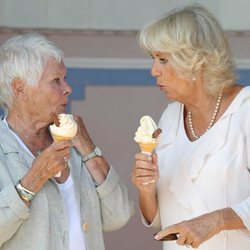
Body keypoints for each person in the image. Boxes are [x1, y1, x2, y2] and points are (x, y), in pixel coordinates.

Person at [132, 3, 250, 250]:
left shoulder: (245, 111)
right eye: (153, 59)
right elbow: (160, 222)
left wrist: (217, 220)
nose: (154, 71)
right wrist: (146, 188)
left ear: (197, 60)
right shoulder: (170, 117)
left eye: (163, 60)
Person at [0, 32, 134, 250]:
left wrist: (89, 149)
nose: (67, 88)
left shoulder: (74, 142)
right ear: (20, 88)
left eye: (65, 78)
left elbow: (119, 215)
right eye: (56, 81)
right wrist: (34, 179)